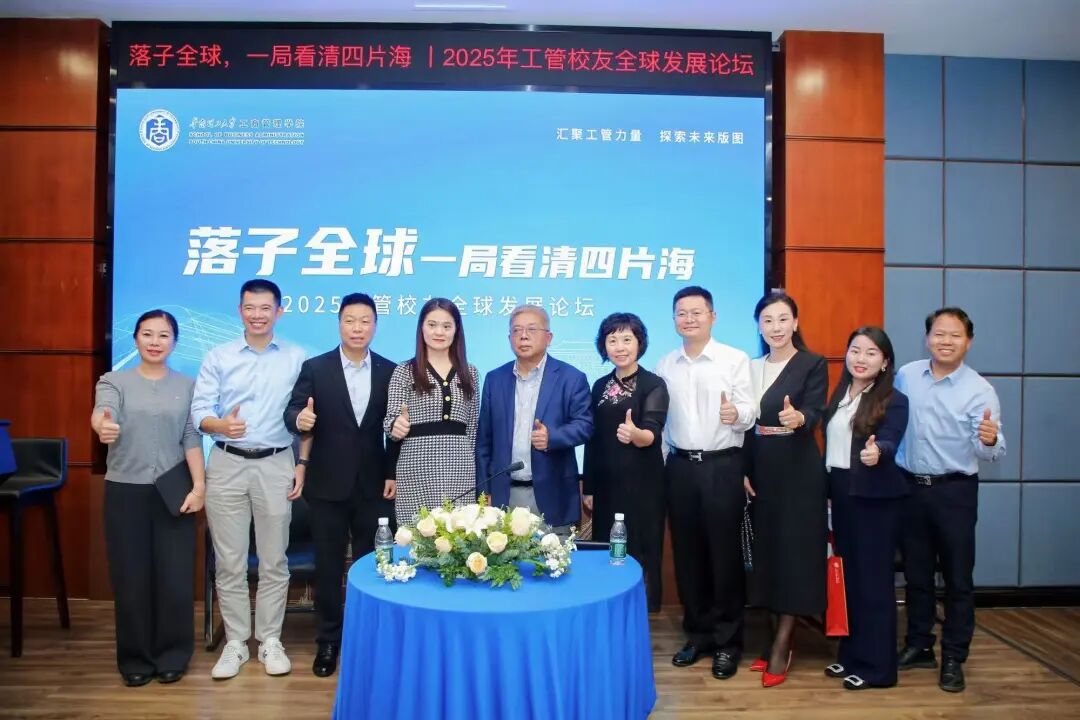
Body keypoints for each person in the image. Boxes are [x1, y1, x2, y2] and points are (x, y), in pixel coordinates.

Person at [191, 279, 306, 680]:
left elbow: (305, 416)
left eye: (265, 308)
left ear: (279, 311)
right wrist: (219, 425)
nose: (257, 315)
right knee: (230, 561)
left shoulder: (297, 358)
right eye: (250, 308)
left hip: (276, 462)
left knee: (275, 560)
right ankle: (237, 642)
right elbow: (199, 413)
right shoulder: (218, 356)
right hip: (226, 463)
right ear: (240, 310)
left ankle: (270, 639)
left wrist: (302, 463)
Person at [283, 293, 396, 678]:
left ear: (375, 326)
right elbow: (293, 411)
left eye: (365, 321)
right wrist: (299, 420)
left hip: (373, 487)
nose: (357, 328)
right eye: (350, 320)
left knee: (372, 566)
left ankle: (368, 638)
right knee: (328, 567)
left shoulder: (390, 371)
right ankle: (328, 641)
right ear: (339, 324)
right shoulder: (316, 367)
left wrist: (392, 473)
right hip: (327, 486)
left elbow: (394, 432)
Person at [91, 309, 206, 687]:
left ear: (174, 341)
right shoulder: (113, 381)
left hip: (174, 491)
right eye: (147, 334)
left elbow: (191, 438)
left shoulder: (187, 385)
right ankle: (135, 658)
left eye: (163, 335)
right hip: (126, 490)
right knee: (131, 577)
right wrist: (103, 426)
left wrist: (199, 487)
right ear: (135, 338)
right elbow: (102, 414)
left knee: (175, 577)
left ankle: (173, 655)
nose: (155, 342)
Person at [895, 308, 1005, 693]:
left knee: (958, 578)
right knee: (917, 574)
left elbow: (991, 450)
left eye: (955, 335)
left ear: (968, 342)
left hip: (954, 491)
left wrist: (990, 439)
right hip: (909, 488)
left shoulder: (980, 390)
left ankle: (954, 656)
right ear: (927, 338)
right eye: (939, 333)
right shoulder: (906, 375)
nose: (946, 341)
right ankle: (919, 645)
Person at [656, 286, 755, 680]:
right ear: (674, 319)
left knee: (724, 557)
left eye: (697, 312)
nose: (689, 319)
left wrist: (736, 414)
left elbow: (749, 409)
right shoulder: (666, 364)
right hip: (680, 467)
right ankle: (697, 635)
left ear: (712, 316)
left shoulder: (734, 358)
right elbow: (661, 424)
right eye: (682, 313)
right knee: (688, 556)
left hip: (721, 466)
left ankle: (728, 642)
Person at [743, 292, 829, 688]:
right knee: (769, 555)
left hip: (798, 470)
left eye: (782, 319)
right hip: (761, 469)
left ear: (795, 322)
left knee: (794, 556)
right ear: (759, 326)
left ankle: (781, 645)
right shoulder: (751, 367)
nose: (775, 327)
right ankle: (772, 638)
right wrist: (744, 471)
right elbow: (745, 425)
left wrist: (800, 418)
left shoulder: (812, 363)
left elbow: (815, 411)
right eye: (767, 320)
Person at [823, 327, 909, 690]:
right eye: (855, 350)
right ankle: (852, 656)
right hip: (843, 493)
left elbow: (889, 440)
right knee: (850, 581)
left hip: (874, 500)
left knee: (873, 584)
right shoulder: (841, 394)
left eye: (871, 353)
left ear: (885, 361)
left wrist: (878, 452)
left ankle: (879, 669)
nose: (861, 359)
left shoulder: (894, 399)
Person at [476, 305, 593, 535]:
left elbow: (585, 425)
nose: (523, 336)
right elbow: (484, 442)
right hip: (503, 496)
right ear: (509, 338)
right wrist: (484, 491)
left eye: (531, 329)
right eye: (517, 330)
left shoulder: (571, 378)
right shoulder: (494, 379)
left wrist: (552, 438)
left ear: (549, 337)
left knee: (554, 557)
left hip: (553, 495)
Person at [582, 312, 668, 611]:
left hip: (644, 484)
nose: (620, 347)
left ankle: (642, 612)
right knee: (609, 549)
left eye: (627, 339)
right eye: (612, 340)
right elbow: (592, 441)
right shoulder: (599, 385)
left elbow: (653, 432)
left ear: (639, 343)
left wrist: (635, 434)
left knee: (642, 548)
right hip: (607, 485)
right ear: (603, 346)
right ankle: (612, 608)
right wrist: (589, 488)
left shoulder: (653, 384)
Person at [384, 298, 479, 523]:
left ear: (456, 330)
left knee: (459, 535)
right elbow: (390, 421)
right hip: (416, 468)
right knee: (417, 534)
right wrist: (396, 426)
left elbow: (473, 427)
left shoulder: (470, 373)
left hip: (460, 469)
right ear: (421, 328)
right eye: (432, 324)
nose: (439, 332)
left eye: (447, 326)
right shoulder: (404, 371)